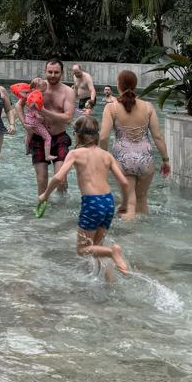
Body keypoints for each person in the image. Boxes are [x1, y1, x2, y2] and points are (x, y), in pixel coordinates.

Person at [39, 115, 131, 277]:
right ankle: (107, 280)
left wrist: (45, 195)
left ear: (76, 134)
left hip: (92, 202)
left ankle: (112, 252)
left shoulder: (75, 153)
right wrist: (124, 204)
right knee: (97, 246)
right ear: (96, 134)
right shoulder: (106, 155)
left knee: (82, 249)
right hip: (108, 201)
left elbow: (59, 178)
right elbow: (124, 182)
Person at [99, 70, 170, 217]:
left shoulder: (111, 108)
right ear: (135, 85)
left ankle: (129, 237)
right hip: (145, 160)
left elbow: (104, 137)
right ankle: (144, 237)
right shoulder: (148, 107)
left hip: (123, 160)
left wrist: (105, 159)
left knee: (129, 203)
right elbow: (158, 136)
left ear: (118, 85)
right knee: (142, 199)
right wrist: (165, 159)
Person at [28, 59, 76, 195]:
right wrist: (25, 126)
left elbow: (68, 118)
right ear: (45, 72)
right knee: (42, 180)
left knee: (61, 180)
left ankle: (61, 209)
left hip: (59, 137)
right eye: (50, 72)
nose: (53, 75)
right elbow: (19, 105)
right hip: (39, 138)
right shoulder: (38, 87)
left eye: (56, 72)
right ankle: (43, 209)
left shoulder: (68, 92)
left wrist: (43, 111)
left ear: (62, 73)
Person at [15, 78, 54, 161]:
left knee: (29, 135)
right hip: (35, 122)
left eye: (44, 91)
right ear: (34, 89)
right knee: (48, 138)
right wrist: (39, 116)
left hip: (28, 121)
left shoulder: (29, 95)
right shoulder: (35, 98)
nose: (43, 93)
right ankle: (47, 156)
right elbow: (35, 109)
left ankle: (27, 150)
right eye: (42, 91)